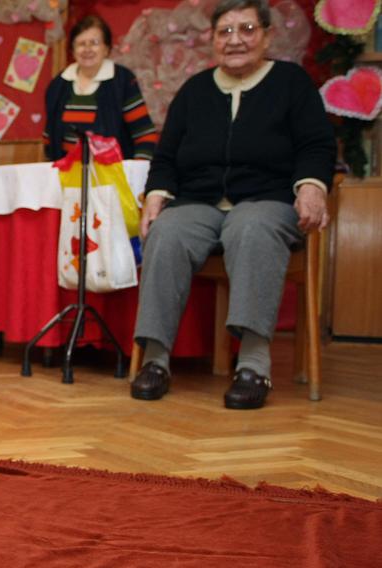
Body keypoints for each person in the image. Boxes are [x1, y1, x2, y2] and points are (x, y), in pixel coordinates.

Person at [129, 0, 335, 409]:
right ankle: (155, 360)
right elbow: (165, 156)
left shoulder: (292, 82)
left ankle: (254, 365)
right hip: (199, 202)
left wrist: (312, 187)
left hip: (268, 199)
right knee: (167, 230)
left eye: (246, 29)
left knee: (251, 225)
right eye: (225, 31)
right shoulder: (195, 90)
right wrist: (156, 196)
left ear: (267, 35)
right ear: (213, 41)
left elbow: (317, 145)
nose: (235, 40)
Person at [43, 14, 158, 161]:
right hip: (66, 176)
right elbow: (49, 137)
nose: (87, 49)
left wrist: (133, 173)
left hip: (112, 177)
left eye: (94, 43)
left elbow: (145, 133)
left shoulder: (122, 81)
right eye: (81, 44)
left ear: (106, 48)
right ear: (72, 50)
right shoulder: (59, 84)